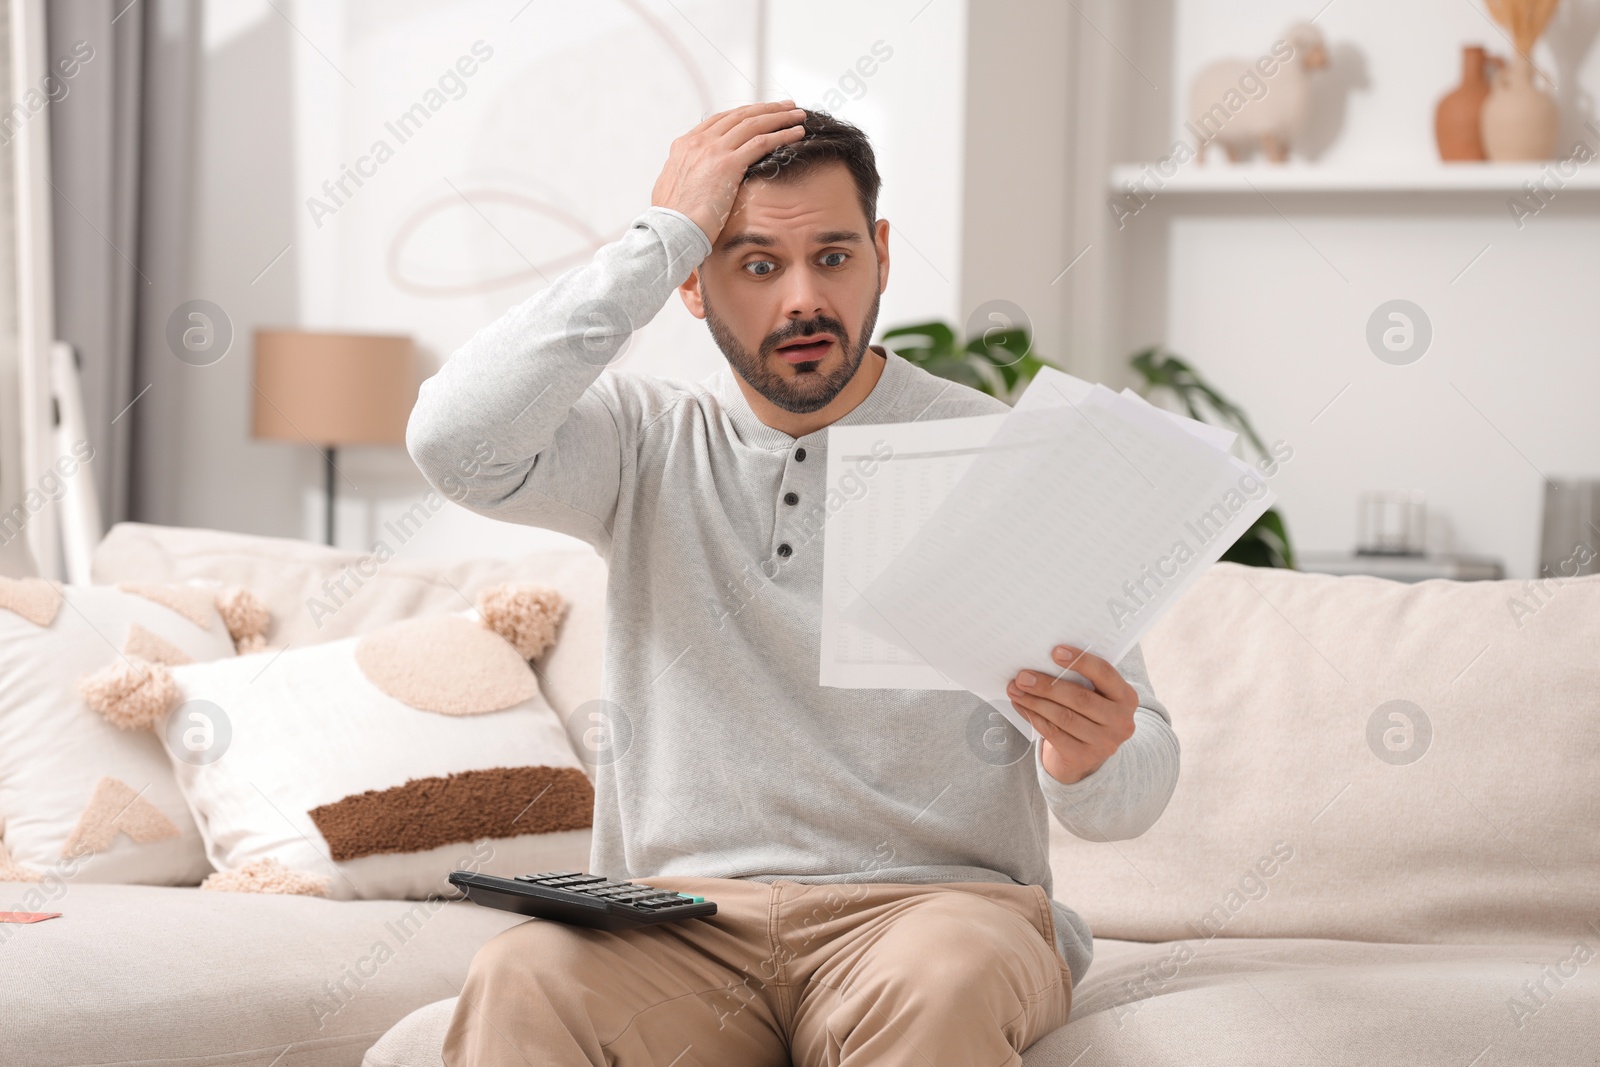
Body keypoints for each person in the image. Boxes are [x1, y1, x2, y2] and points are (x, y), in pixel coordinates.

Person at [406, 101, 1180, 1067]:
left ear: (882, 256)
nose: (804, 298)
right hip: (683, 928)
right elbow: (452, 440)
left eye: (836, 256)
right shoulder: (644, 446)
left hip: (937, 913)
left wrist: (1093, 760)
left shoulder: (999, 454)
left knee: (945, 978)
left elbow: (1135, 780)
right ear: (692, 284)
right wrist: (660, 236)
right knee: (522, 975)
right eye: (757, 264)